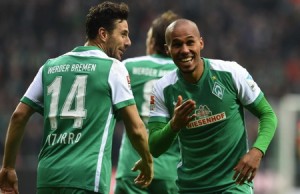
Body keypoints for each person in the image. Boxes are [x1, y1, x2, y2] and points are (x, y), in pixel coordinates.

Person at [0, 1, 153, 194]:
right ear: (103, 34)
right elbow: (137, 129)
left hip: (48, 177)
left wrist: (8, 167)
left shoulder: (50, 67)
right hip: (88, 178)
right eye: (123, 34)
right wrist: (147, 160)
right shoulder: (113, 69)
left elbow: (18, 116)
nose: (128, 41)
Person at [148, 18, 277, 194]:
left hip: (234, 184)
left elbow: (268, 114)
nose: (185, 50)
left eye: (190, 42)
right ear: (167, 50)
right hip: (191, 188)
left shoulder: (231, 73)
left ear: (201, 43)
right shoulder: (162, 88)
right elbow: (154, 148)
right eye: (177, 44)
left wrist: (256, 152)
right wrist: (174, 125)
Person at [114, 11, 180, 194]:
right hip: (171, 173)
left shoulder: (128, 67)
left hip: (131, 170)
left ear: (152, 42)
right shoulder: (186, 73)